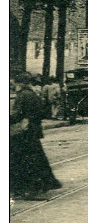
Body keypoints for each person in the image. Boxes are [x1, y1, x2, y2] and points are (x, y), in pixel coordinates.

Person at [10, 72, 62, 200]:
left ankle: (25, 188)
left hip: (23, 133)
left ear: (19, 83)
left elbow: (17, 114)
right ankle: (41, 184)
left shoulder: (22, 95)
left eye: (13, 82)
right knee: (36, 159)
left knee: (21, 160)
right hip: (33, 131)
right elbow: (40, 111)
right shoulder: (32, 94)